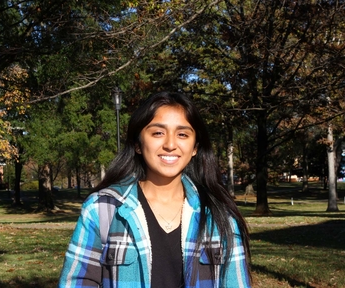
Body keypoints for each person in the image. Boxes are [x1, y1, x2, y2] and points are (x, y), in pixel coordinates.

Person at [59, 92, 251, 287]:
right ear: (138, 145)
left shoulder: (219, 215)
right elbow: (77, 282)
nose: (170, 144)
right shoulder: (102, 209)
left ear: (195, 148)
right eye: (158, 133)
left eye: (182, 134)